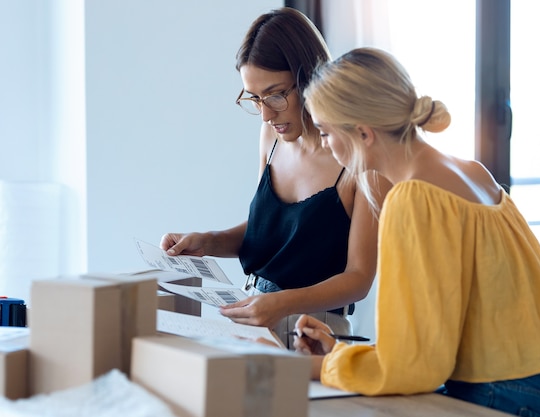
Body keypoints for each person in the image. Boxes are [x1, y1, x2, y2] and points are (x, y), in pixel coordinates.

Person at [292, 47, 540, 416]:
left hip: (504, 393)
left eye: (325, 132)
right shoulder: (475, 173)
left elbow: (415, 367)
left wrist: (316, 368)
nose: (324, 144)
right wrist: (343, 355)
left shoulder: (414, 198)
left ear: (363, 133)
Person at [160, 8, 391, 349]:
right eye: (255, 99)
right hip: (253, 315)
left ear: (311, 78)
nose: (267, 114)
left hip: (314, 332)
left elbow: (358, 278)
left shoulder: (361, 159)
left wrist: (281, 304)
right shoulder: (270, 139)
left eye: (276, 94)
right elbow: (269, 232)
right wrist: (207, 242)